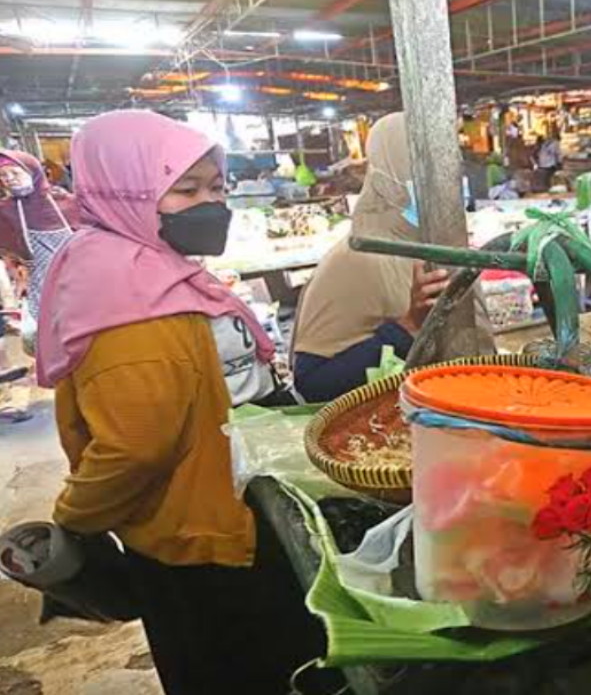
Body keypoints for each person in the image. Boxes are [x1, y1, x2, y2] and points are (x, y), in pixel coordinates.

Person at [37, 110, 330, 694]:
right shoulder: (129, 299)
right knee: (244, 666)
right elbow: (138, 445)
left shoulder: (154, 267)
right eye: (186, 189)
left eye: (217, 187)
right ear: (125, 191)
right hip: (201, 533)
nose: (211, 204)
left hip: (232, 498)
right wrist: (75, 518)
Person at [292, 112, 494, 403]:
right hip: (391, 433)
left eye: (449, 165)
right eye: (427, 168)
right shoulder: (356, 258)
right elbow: (312, 385)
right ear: (390, 173)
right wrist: (407, 328)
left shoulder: (445, 245)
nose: (446, 180)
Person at [0, 149, 77, 354]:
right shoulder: (5, 210)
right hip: (38, 280)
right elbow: (9, 251)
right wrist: (16, 270)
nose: (9, 180)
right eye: (3, 176)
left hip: (75, 276)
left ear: (33, 172)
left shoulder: (63, 201)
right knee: (49, 330)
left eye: (15, 174)